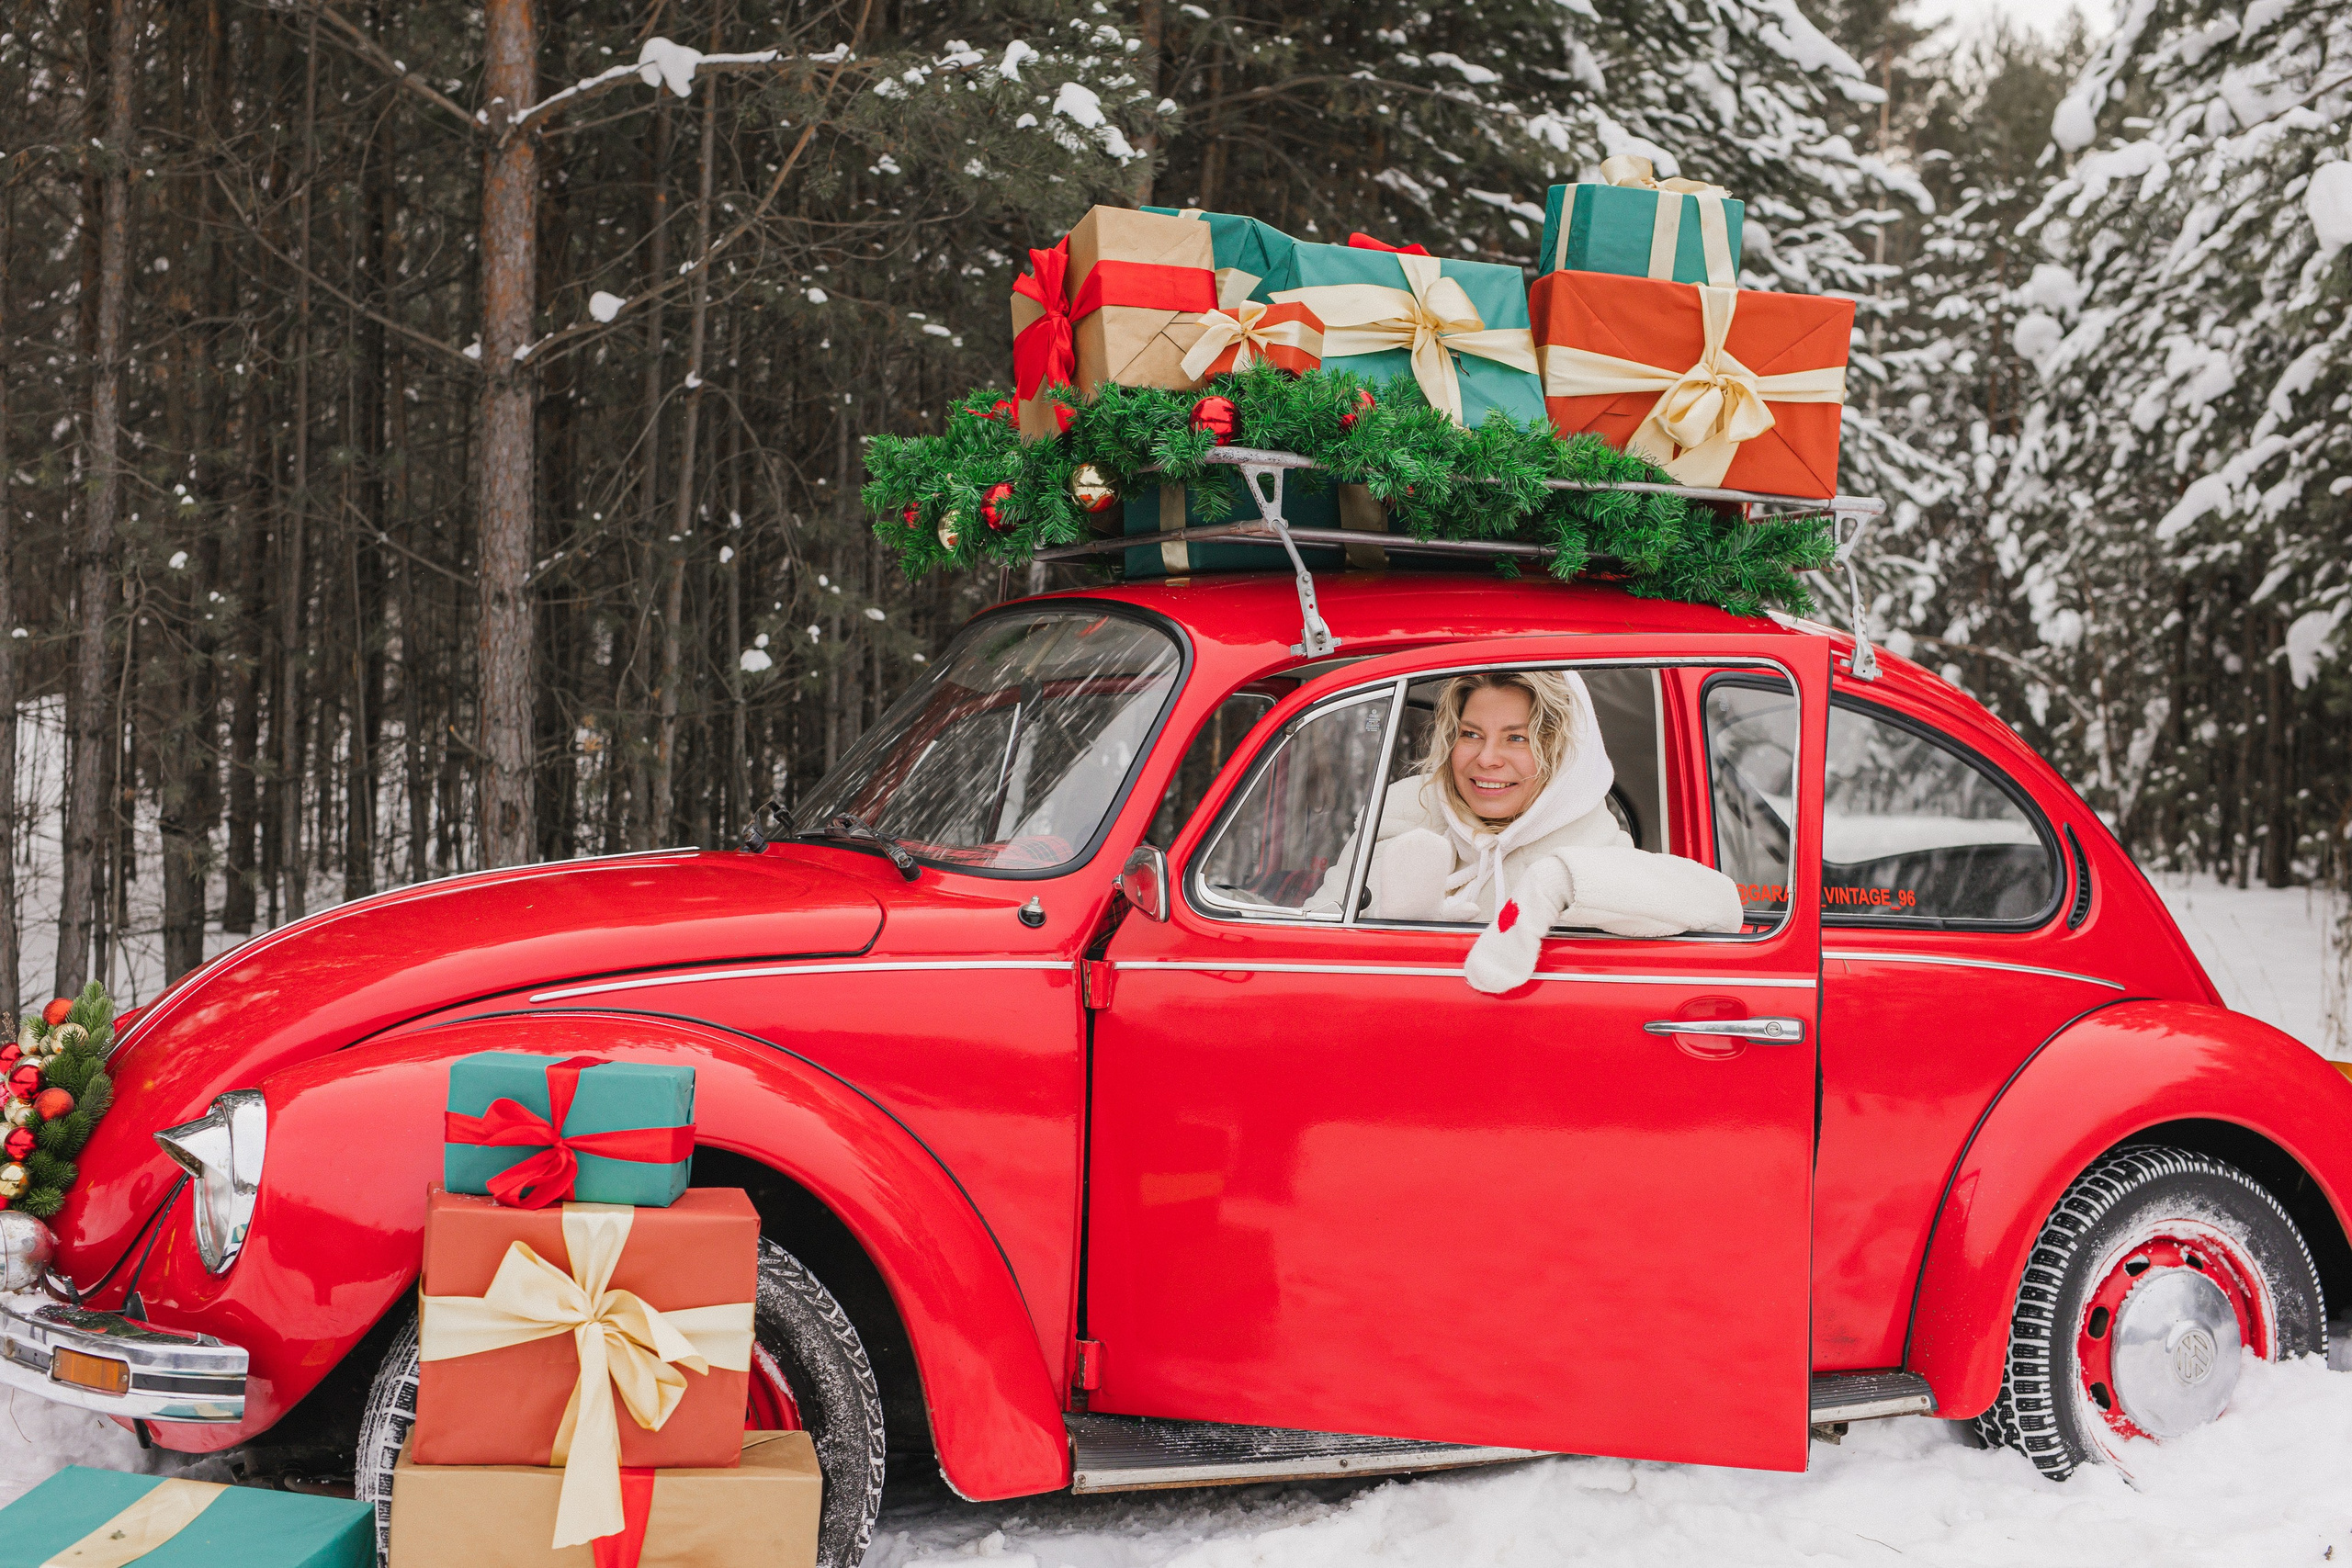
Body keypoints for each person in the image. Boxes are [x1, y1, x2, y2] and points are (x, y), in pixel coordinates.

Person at [1312, 670, 1743, 992]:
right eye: (1471, 734)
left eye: (1517, 738)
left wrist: (1557, 881)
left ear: (1560, 752)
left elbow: (1722, 906)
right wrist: (1394, 927)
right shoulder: (1407, 809)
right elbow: (1314, 931)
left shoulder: (1591, 841)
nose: (1487, 758)